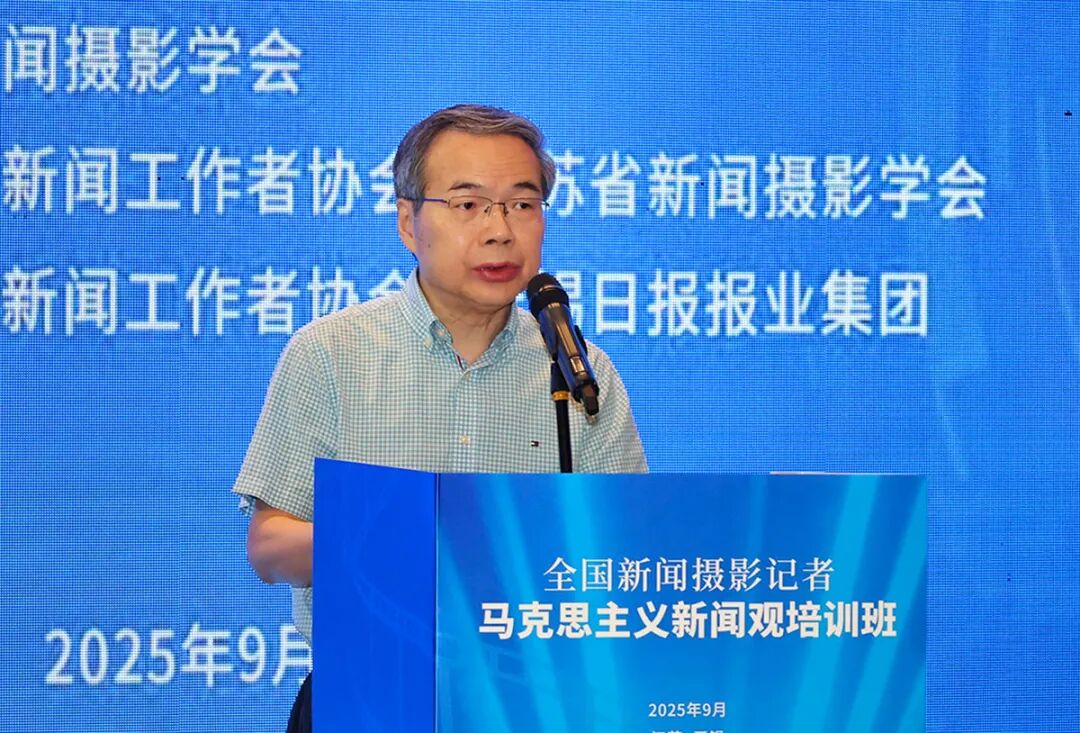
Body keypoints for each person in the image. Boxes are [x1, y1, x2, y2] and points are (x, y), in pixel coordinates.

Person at [232, 104, 647, 732]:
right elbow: (270, 548)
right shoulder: (331, 353)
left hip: (533, 703)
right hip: (369, 695)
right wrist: (424, 542)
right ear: (408, 222)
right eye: (468, 204)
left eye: (522, 204)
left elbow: (625, 549)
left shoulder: (579, 372)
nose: (500, 230)